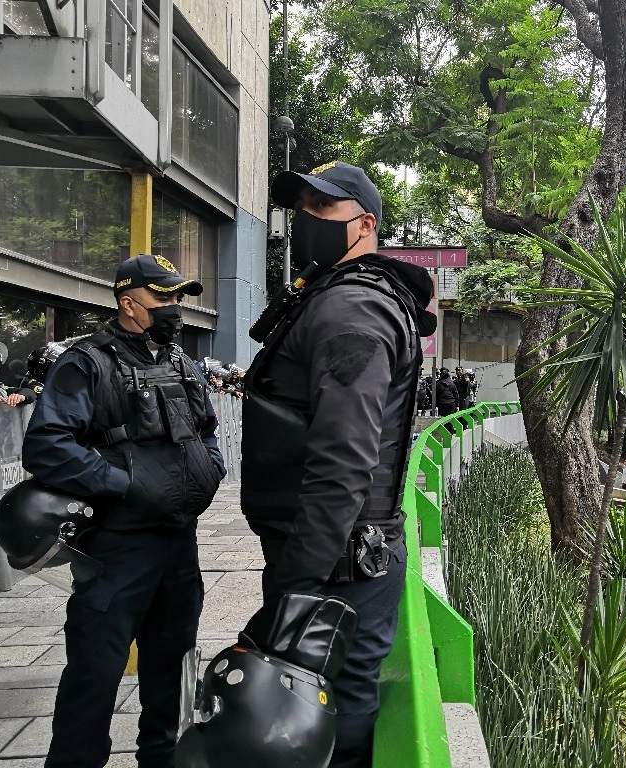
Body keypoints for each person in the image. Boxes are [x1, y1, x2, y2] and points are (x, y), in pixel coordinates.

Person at [239, 161, 436, 767]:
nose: (305, 223)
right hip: (333, 556)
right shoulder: (336, 298)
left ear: (364, 223)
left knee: (323, 727)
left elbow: (344, 462)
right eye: (299, 210)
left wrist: (298, 587)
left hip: (336, 567)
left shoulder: (352, 308)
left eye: (321, 210)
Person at [22, 254, 226, 768]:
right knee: (94, 676)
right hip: (116, 547)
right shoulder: (87, 362)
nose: (175, 308)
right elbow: (47, 446)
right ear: (128, 303)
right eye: (164, 297)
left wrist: (210, 469)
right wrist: (125, 484)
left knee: (172, 676)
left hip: (179, 545)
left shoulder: (183, 362)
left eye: (179, 297)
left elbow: (205, 429)